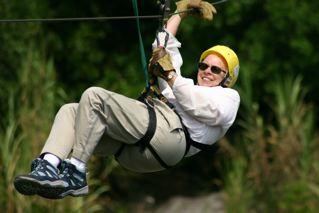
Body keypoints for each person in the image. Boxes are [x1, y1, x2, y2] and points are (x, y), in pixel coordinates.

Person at [14, 0, 240, 199]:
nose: (207, 71)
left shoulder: (228, 98)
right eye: (203, 65)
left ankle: (76, 173)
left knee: (95, 97)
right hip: (135, 150)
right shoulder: (185, 86)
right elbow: (163, 48)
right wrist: (179, 13)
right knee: (72, 111)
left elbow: (198, 104)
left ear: (227, 78)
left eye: (216, 69)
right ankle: (48, 166)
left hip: (170, 139)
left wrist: (169, 74)